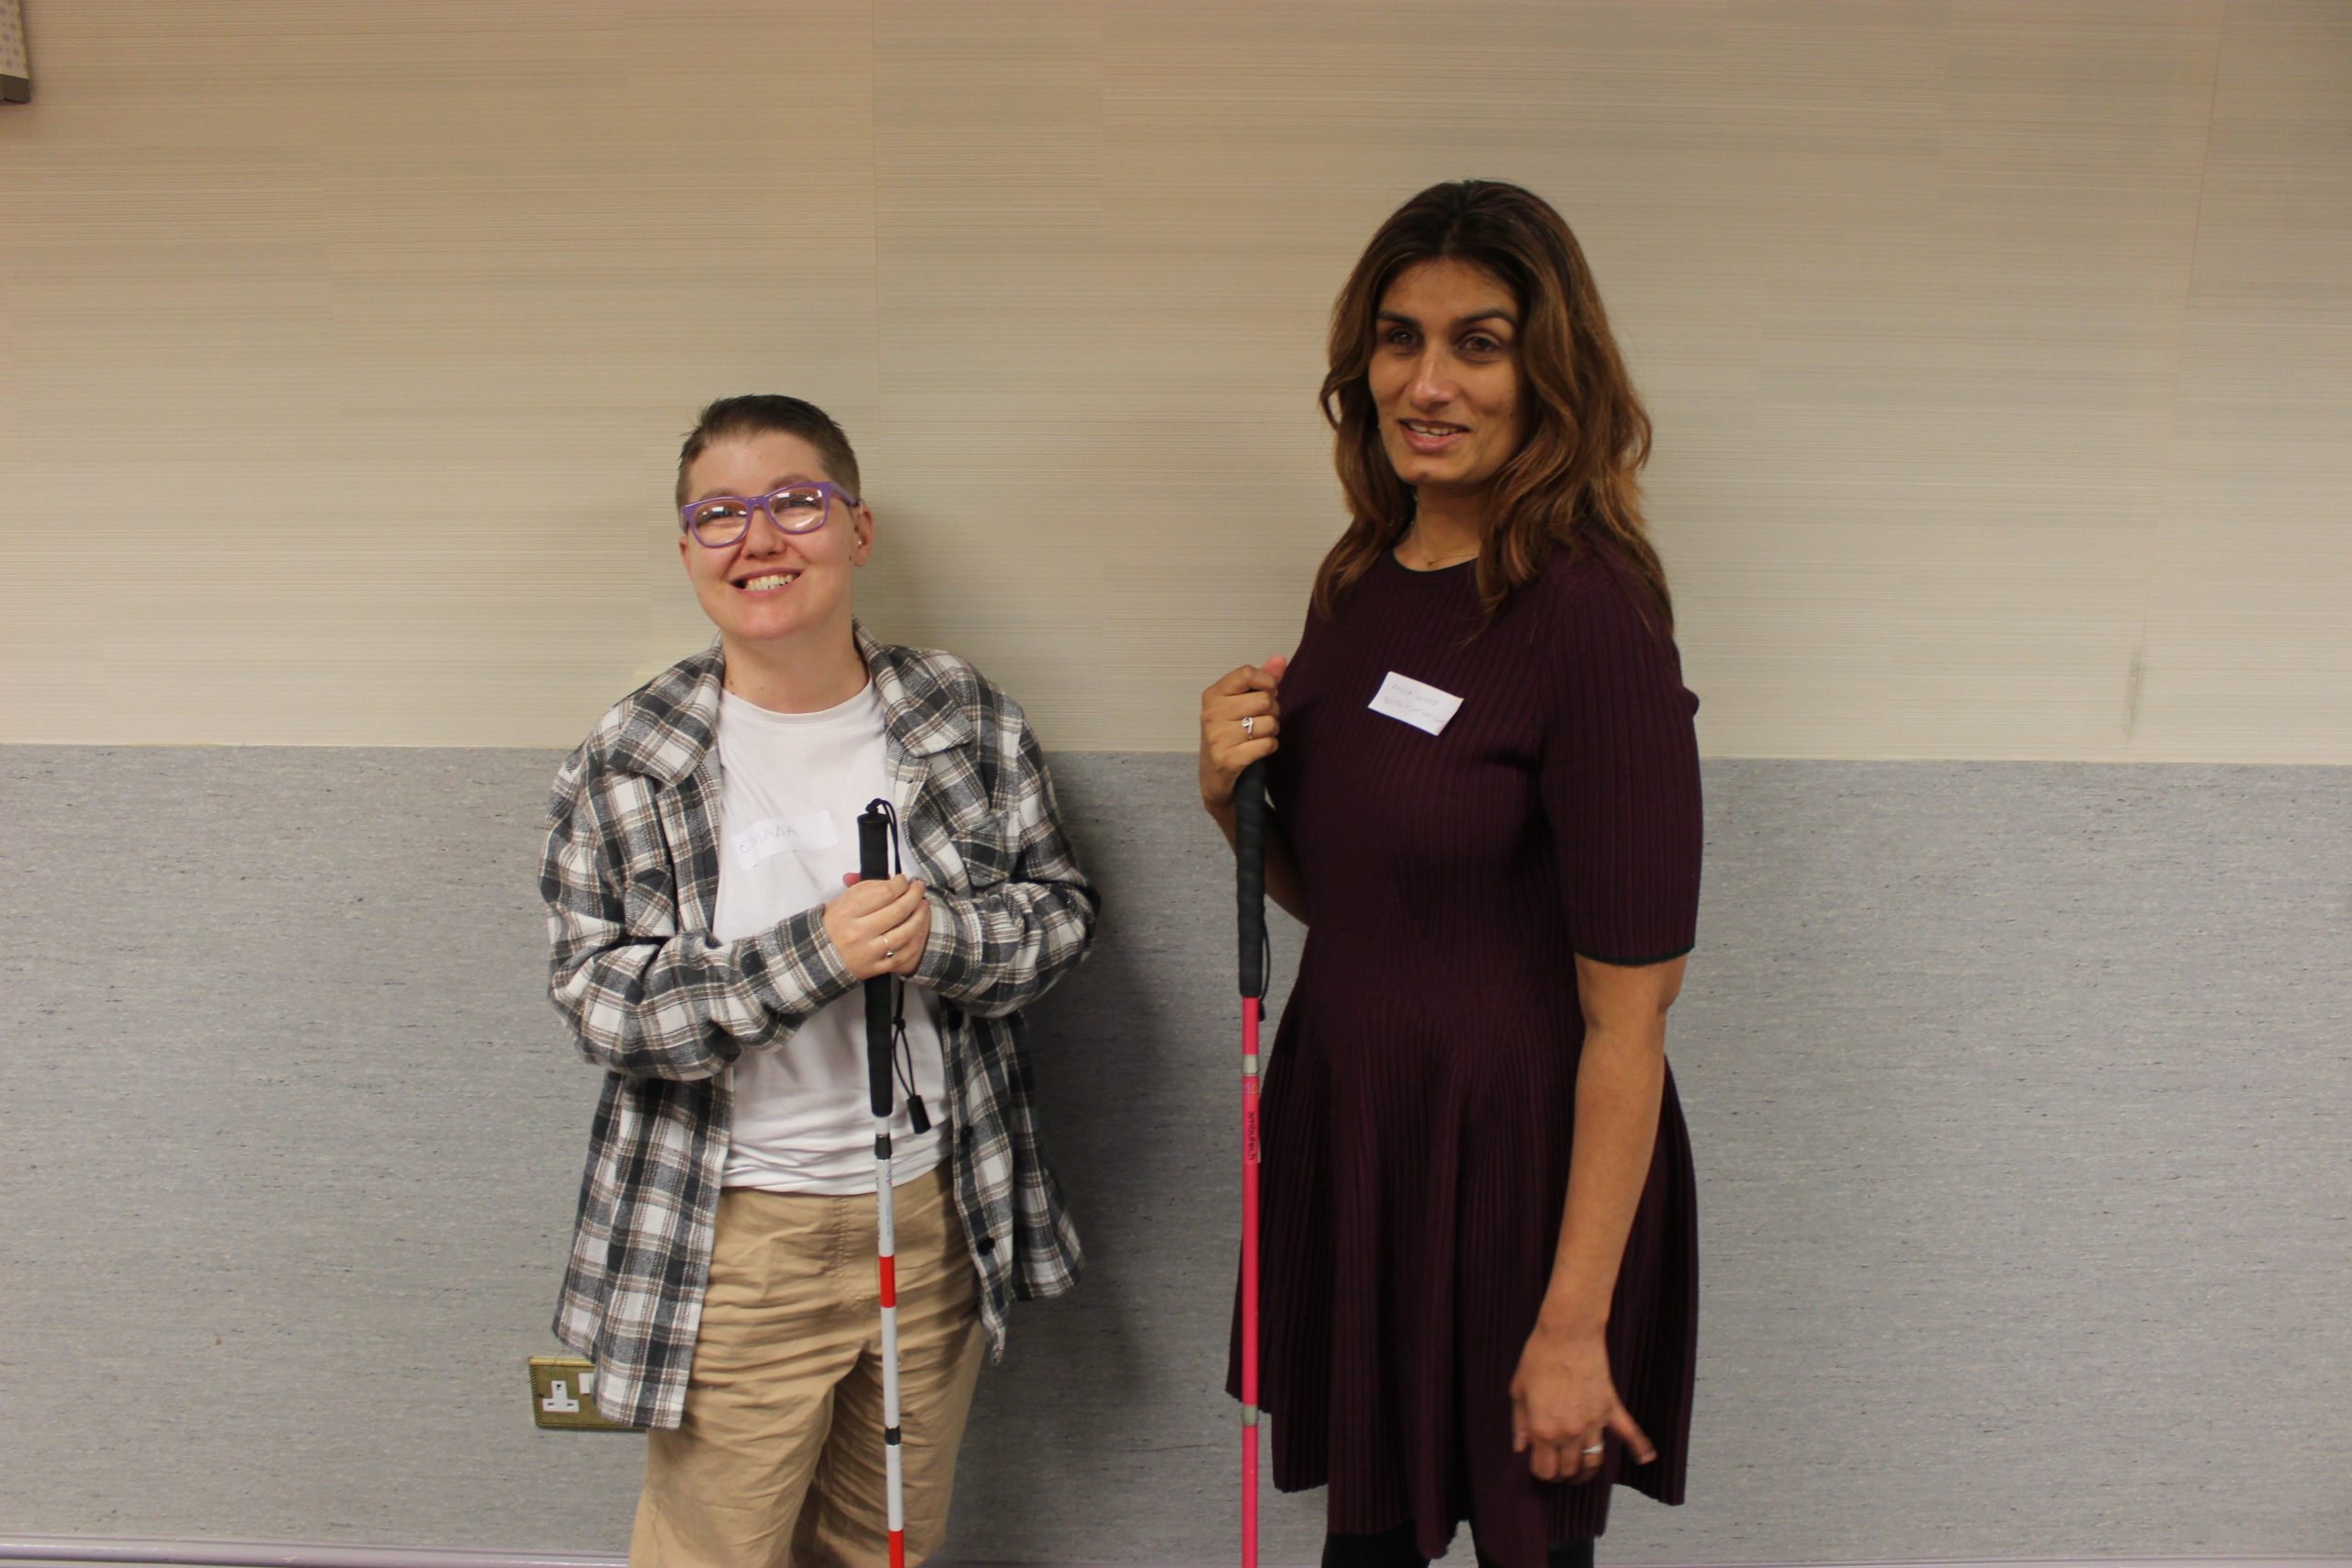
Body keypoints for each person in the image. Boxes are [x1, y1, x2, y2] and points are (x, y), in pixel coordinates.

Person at [1199, 180, 1705, 1568]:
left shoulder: (1591, 615)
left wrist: (1573, 1323)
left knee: (1524, 1549)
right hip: (1360, 1130)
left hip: (1521, 1162)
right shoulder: (1358, 578)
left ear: (1552, 372)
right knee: (1366, 1543)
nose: (1428, 382)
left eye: (1478, 342)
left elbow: (1631, 1016)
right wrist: (1225, 804)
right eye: (1397, 338)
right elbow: (1366, 904)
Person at [541, 394, 1097, 1567]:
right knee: (713, 1553)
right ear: (687, 548)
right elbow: (600, 1000)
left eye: (796, 502)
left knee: (883, 1546)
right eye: (718, 514)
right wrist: (816, 953)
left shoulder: (965, 718)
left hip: (935, 1217)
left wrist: (938, 936)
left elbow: (1059, 920)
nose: (759, 539)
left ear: (858, 529)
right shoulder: (634, 753)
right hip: (736, 1237)